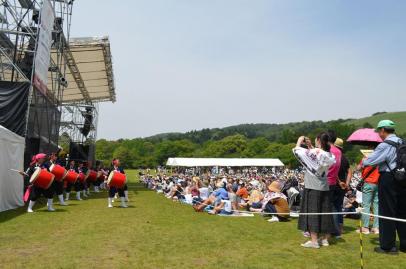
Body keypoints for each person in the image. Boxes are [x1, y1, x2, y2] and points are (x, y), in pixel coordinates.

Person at [363, 120, 406, 254]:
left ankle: (388, 246)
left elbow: (370, 161)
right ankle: (404, 245)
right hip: (403, 178)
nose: (379, 135)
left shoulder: (385, 145)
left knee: (387, 212)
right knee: (402, 212)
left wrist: (365, 160)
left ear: (383, 130)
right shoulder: (402, 142)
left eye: (379, 132)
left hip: (388, 178)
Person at [293, 134, 336, 249]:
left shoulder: (317, 152)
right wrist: (310, 146)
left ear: (319, 141)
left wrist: (299, 141)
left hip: (313, 185)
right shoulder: (329, 154)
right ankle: (325, 239)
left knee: (312, 212)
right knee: (324, 212)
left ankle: (314, 241)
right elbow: (317, 157)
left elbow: (297, 152)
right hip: (324, 185)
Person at [357, 150, 380, 235]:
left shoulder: (366, 158)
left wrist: (362, 161)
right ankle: (376, 228)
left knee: (366, 205)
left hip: (368, 183)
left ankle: (365, 227)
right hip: (378, 183)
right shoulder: (379, 158)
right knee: (376, 206)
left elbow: (358, 168)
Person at [334, 138, 352, 237]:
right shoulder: (344, 158)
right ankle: (340, 229)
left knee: (334, 207)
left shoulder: (334, 156)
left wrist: (339, 182)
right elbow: (349, 172)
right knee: (339, 207)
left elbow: (333, 171)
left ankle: (335, 230)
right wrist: (347, 183)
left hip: (336, 184)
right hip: (343, 186)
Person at [326, 131, 342, 237]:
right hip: (334, 181)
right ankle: (336, 231)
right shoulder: (338, 151)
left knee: (325, 208)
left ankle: (326, 231)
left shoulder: (328, 150)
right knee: (333, 207)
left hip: (326, 181)